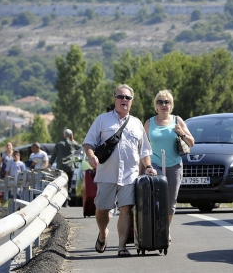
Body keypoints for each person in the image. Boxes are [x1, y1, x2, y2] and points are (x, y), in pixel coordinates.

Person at [83, 84, 156, 257]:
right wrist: (91, 155)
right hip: (106, 174)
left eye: (128, 98)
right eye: (121, 97)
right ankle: (103, 233)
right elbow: (88, 142)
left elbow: (144, 151)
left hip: (129, 175)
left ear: (132, 101)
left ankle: (121, 247)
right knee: (102, 210)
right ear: (114, 99)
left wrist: (148, 167)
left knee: (125, 209)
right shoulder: (102, 120)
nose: (124, 100)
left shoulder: (137, 124)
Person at [144, 89, 194, 246]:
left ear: (171, 106)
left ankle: (165, 230)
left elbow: (192, 142)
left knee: (171, 202)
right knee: (157, 199)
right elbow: (143, 147)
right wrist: (143, 167)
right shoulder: (149, 123)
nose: (164, 105)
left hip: (174, 166)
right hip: (155, 164)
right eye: (160, 102)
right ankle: (154, 229)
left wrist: (181, 133)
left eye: (167, 102)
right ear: (156, 106)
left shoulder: (177, 120)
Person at [49, 129, 82, 203]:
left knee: (61, 183)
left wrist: (50, 164)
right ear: (71, 135)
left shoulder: (59, 144)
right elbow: (79, 147)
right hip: (70, 167)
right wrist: (72, 139)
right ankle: (68, 197)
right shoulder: (72, 143)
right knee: (69, 184)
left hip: (61, 167)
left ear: (64, 135)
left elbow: (54, 154)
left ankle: (61, 200)